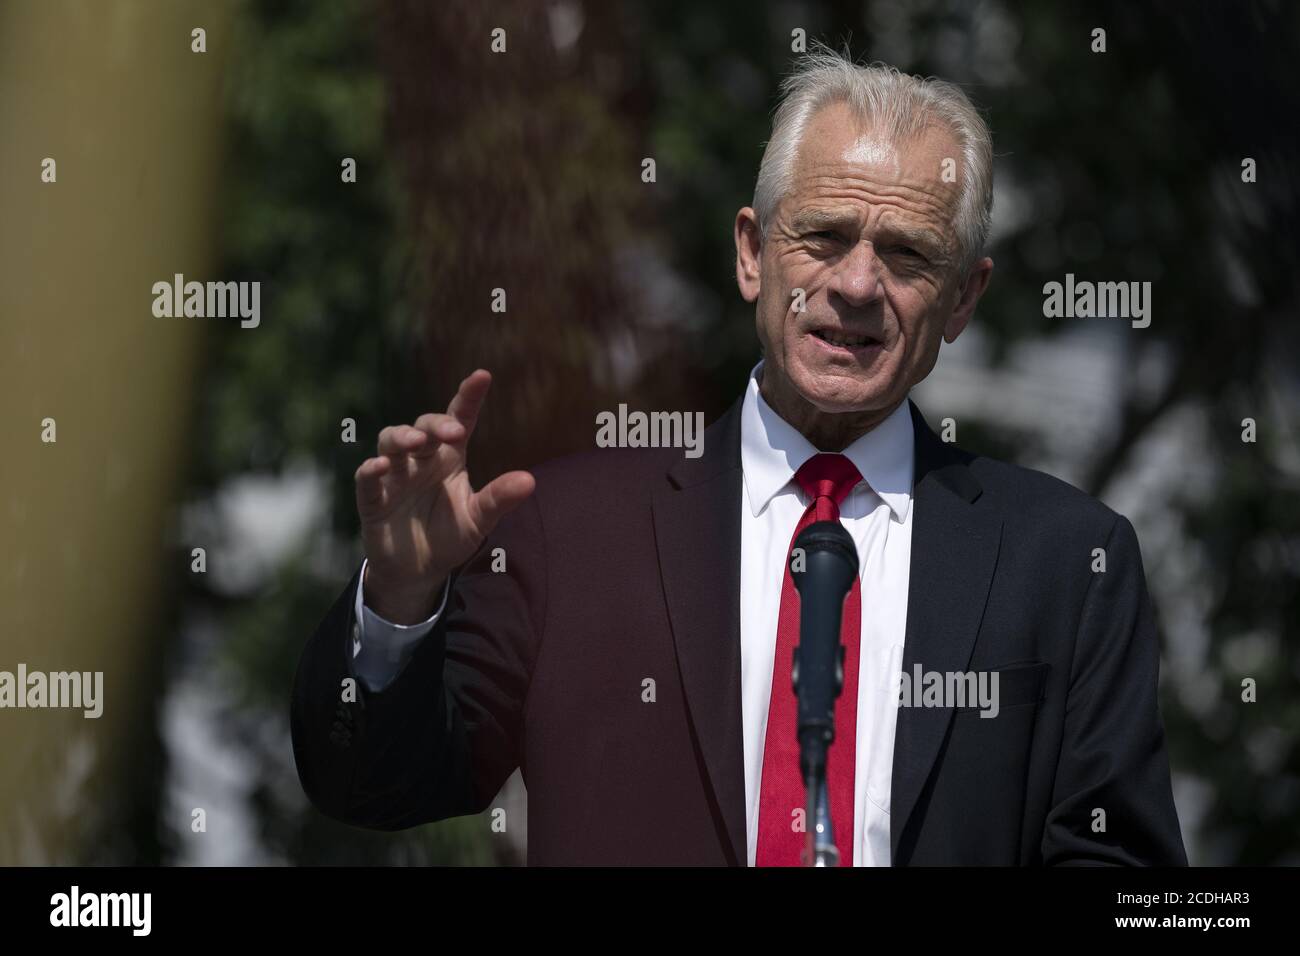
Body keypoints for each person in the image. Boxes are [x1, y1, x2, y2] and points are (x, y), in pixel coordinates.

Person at [291, 48, 1186, 866]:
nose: (858, 285)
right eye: (825, 237)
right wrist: (400, 602)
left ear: (961, 299)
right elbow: (373, 785)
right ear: (754, 254)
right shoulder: (569, 531)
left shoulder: (1070, 563)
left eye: (908, 254)